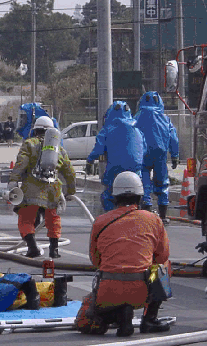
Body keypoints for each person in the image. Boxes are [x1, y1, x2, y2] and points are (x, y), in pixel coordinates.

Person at [78, 171, 171, 337]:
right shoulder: (153, 220)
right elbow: (162, 257)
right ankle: (150, 319)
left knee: (91, 316)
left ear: (114, 197)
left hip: (108, 291)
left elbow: (96, 260)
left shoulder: (100, 221)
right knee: (164, 266)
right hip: (142, 292)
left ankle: (119, 315)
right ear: (140, 197)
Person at [7, 117, 76, 258]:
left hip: (32, 189)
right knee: (53, 220)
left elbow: (21, 164)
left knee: (26, 218)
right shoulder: (59, 150)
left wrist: (13, 181)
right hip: (53, 190)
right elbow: (70, 172)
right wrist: (71, 191)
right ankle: (54, 250)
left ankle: (32, 248)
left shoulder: (29, 144)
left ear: (35, 130)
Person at [86, 101, 146, 212]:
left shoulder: (107, 130)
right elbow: (144, 149)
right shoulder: (137, 130)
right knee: (138, 192)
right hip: (135, 168)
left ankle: (111, 218)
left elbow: (98, 149)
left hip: (115, 168)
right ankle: (139, 214)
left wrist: (89, 161)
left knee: (108, 194)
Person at [134, 91, 179, 224]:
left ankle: (146, 210)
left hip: (142, 155)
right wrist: (175, 156)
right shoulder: (165, 118)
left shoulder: (137, 117)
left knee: (144, 183)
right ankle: (163, 215)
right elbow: (173, 138)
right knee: (162, 183)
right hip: (160, 155)